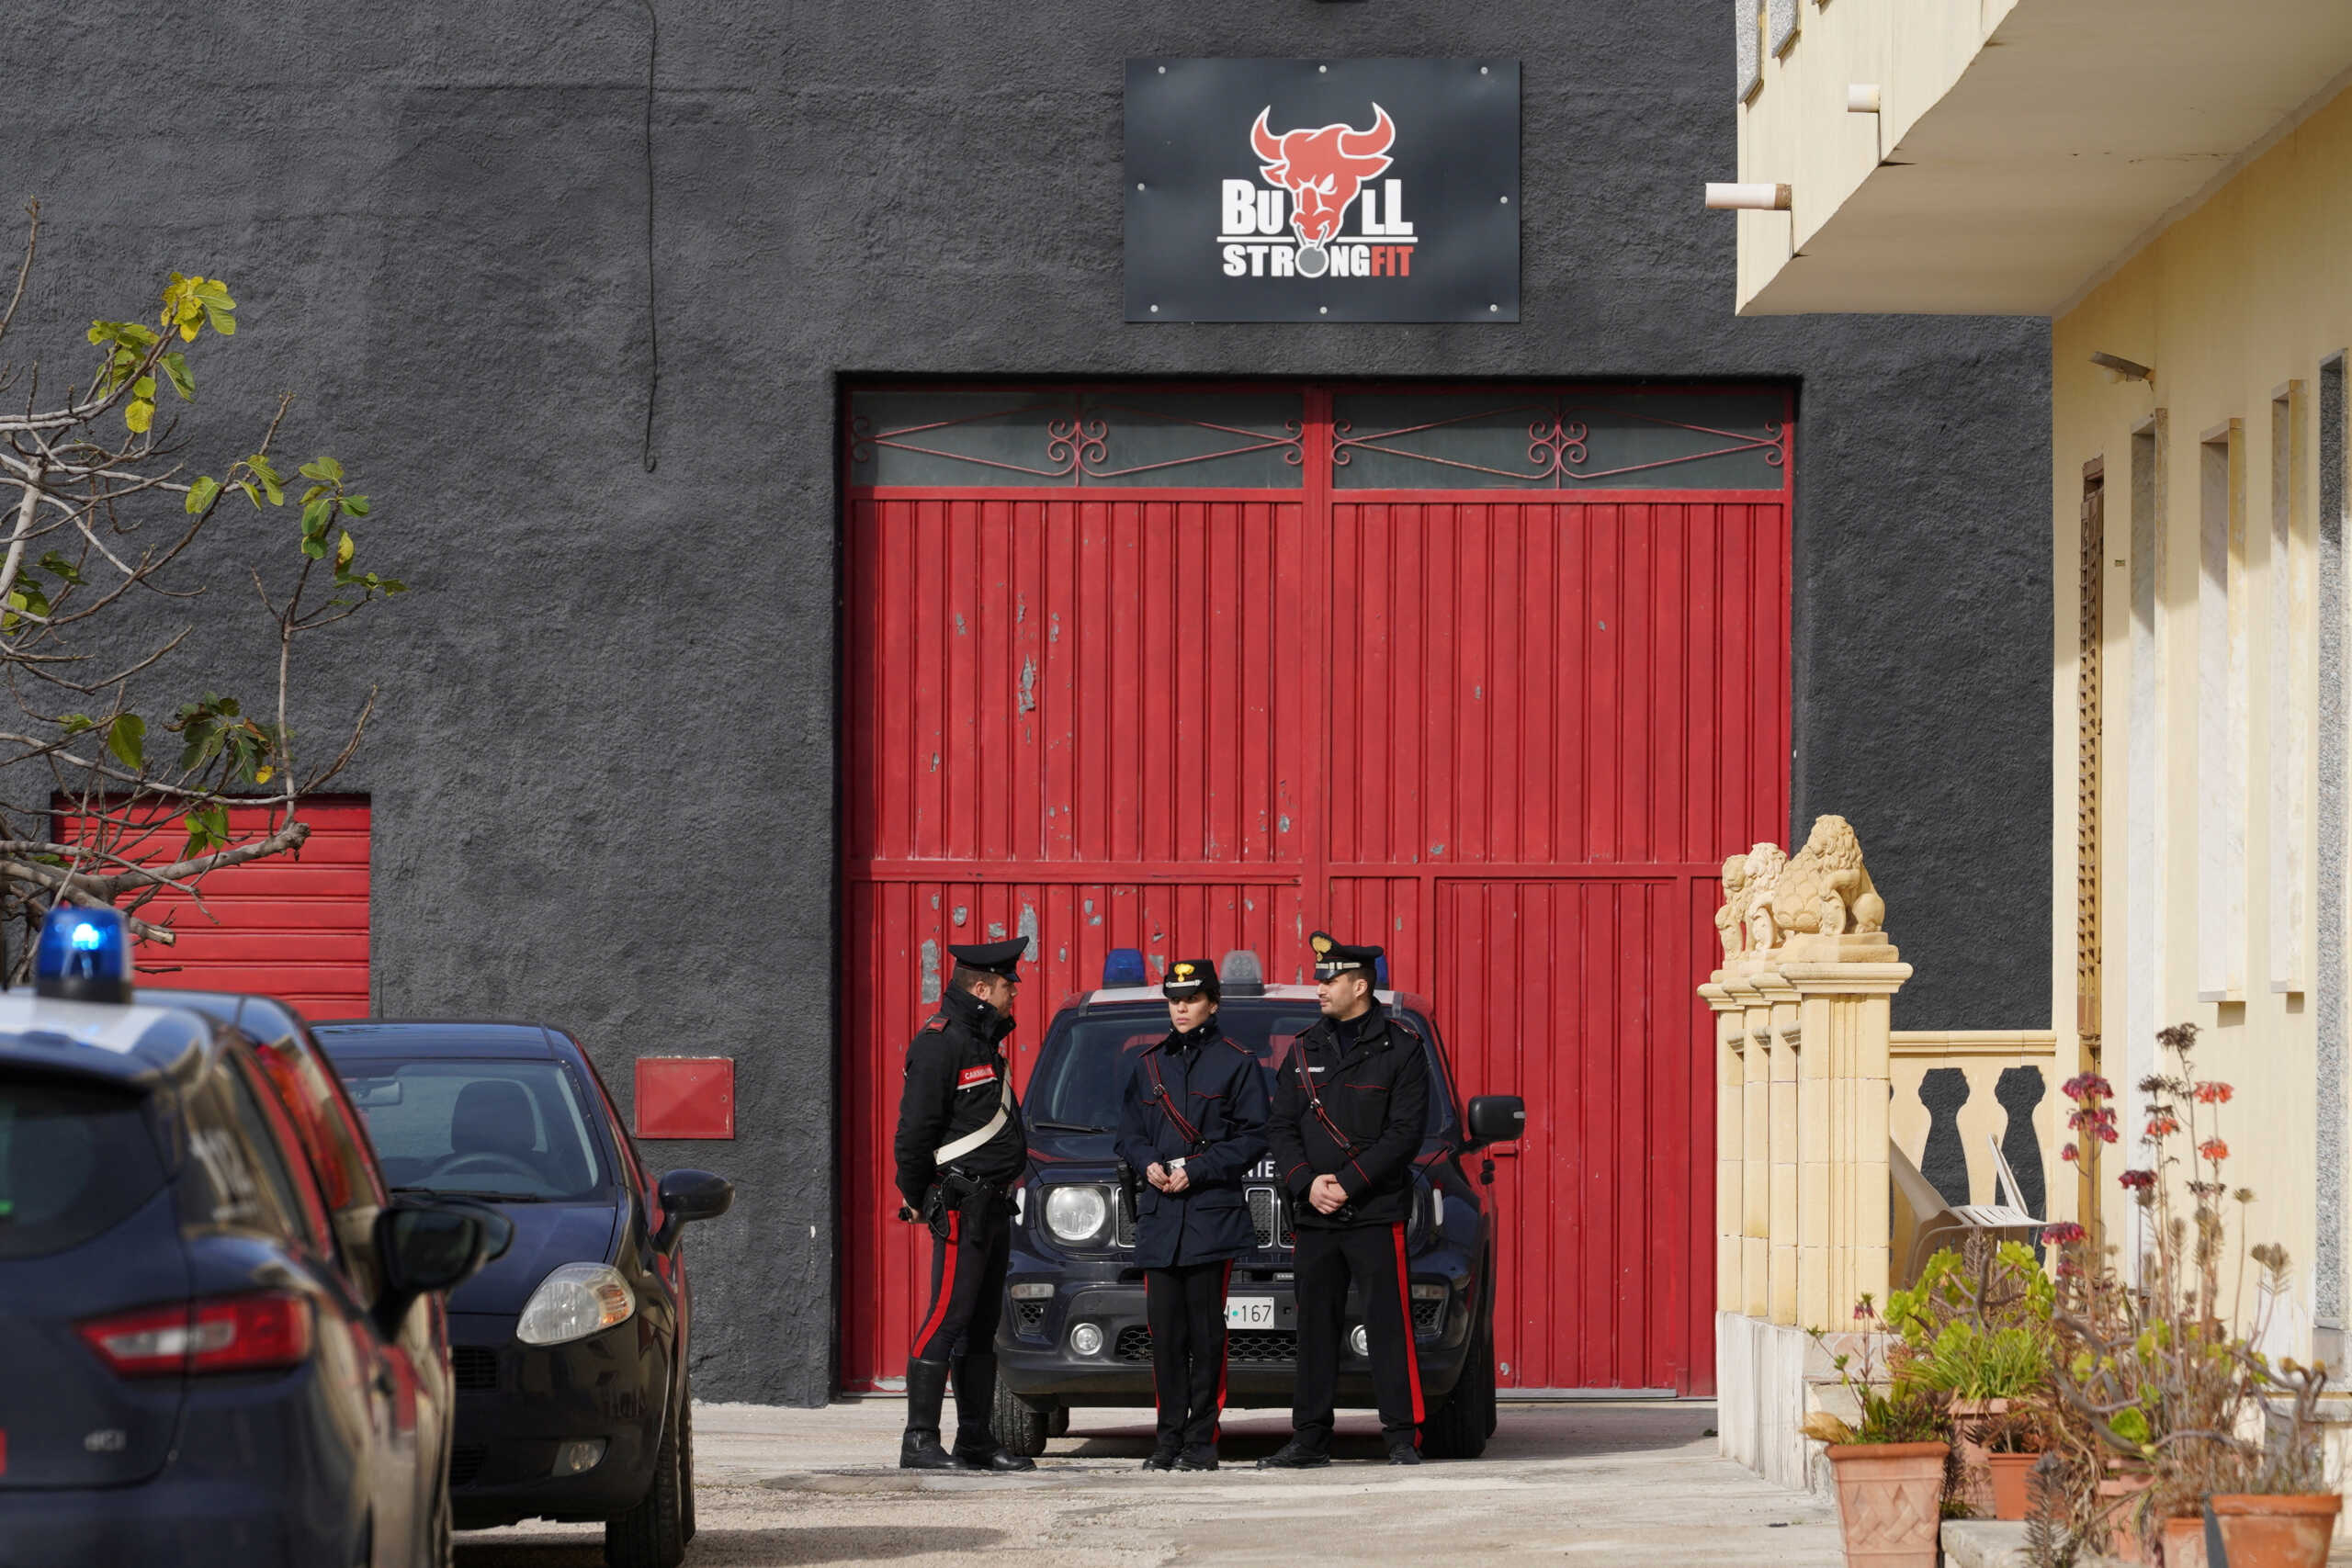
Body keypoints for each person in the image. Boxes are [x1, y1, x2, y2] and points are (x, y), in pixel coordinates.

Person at [1257, 931, 1431, 1468]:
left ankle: (1401, 1437)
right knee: (1314, 1327)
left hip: (1375, 1212)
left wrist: (1348, 1182)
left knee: (1387, 1325)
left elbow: (1404, 1134)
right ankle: (1310, 1438)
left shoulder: (1401, 1048)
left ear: (1360, 985)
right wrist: (1307, 1182)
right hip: (1314, 1213)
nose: (1319, 989)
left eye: (1329, 981)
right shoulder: (1303, 1049)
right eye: (1319, 980)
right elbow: (1280, 1126)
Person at [1114, 958, 1270, 1472]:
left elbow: (1255, 1135)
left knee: (1206, 1336)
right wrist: (1147, 1162)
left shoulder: (1236, 1063)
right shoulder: (1148, 1065)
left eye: (1192, 999)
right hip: (1161, 1216)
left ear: (1213, 1003)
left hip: (1210, 1215)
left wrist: (1198, 1169)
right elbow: (1129, 1133)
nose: (1181, 1008)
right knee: (1165, 1336)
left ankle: (1201, 1441)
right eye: (1174, 1000)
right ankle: (1167, 1441)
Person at [890, 937, 1036, 1471]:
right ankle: (919, 1440)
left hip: (994, 1205)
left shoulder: (982, 1042)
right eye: (1006, 986)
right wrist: (917, 1195)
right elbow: (914, 1133)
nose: (1013, 994)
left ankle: (975, 1438)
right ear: (980, 988)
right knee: (947, 1317)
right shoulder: (941, 1042)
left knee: (981, 1324)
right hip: (959, 1204)